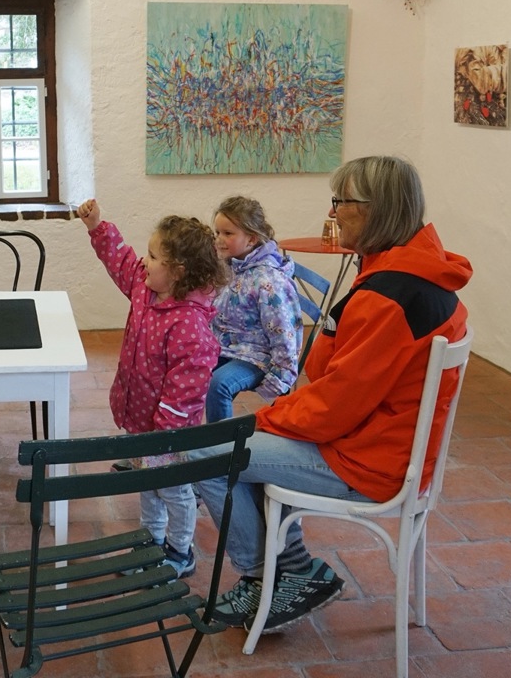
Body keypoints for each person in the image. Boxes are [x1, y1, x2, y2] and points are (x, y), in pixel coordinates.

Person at [194, 155, 472, 634]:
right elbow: (333, 383)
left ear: (375, 210)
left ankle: (266, 577)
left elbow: (331, 407)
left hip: (367, 460)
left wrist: (263, 420)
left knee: (206, 453)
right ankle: (295, 567)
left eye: (340, 202)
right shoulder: (412, 274)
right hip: (377, 441)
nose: (332, 214)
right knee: (240, 449)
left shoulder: (389, 296)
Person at [77, 198, 228, 577]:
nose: (143, 262)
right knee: (149, 484)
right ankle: (151, 540)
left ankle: (180, 552)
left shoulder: (189, 327)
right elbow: (121, 261)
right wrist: (98, 226)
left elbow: (185, 393)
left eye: (153, 257)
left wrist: (162, 435)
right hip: (142, 420)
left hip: (167, 433)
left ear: (177, 272)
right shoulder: (146, 290)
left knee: (173, 490)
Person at [207, 196, 303, 423]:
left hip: (257, 357)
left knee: (217, 385)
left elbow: (284, 334)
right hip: (228, 348)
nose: (219, 240)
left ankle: (221, 448)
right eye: (217, 232)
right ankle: (184, 439)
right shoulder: (231, 267)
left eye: (228, 234)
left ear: (251, 239)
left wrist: (278, 380)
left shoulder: (269, 281)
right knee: (184, 368)